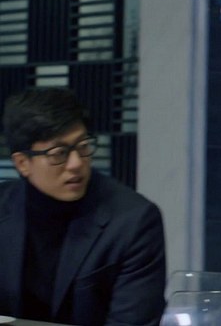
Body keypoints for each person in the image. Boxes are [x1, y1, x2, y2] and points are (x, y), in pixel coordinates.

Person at [0, 88, 166, 326]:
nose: (76, 163)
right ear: (23, 163)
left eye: (83, 146)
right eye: (59, 153)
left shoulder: (133, 221)